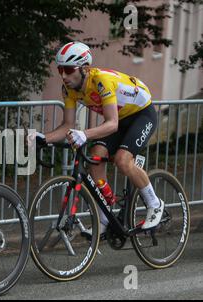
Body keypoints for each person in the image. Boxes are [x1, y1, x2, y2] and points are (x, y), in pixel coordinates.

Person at [29, 41, 164, 237]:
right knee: (95, 157)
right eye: (60, 69)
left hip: (141, 115)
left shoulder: (101, 80)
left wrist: (84, 134)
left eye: (68, 69)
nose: (64, 75)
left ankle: (155, 204)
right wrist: (44, 138)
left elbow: (112, 124)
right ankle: (104, 219)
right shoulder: (69, 89)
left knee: (123, 160)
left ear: (84, 68)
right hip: (120, 119)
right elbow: (67, 125)